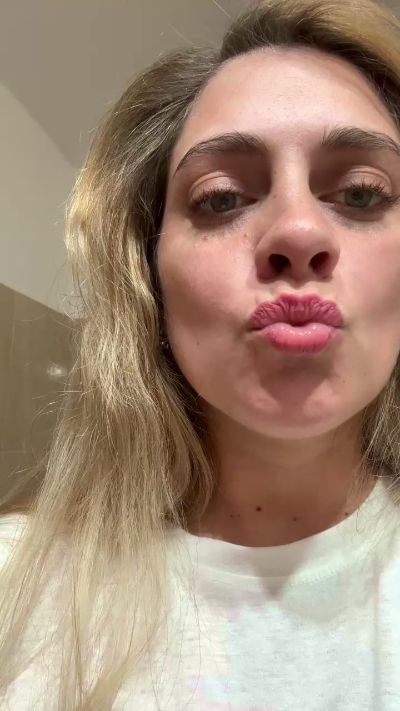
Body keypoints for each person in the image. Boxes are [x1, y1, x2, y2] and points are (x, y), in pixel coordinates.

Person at [2, 0, 400, 708]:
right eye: (220, 199)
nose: (298, 230)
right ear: (149, 275)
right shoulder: (16, 588)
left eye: (362, 193)